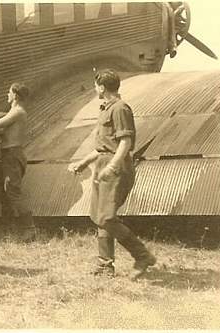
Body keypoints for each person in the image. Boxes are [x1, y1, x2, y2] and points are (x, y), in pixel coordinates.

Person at [68, 69, 156, 279]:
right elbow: (102, 148)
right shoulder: (106, 109)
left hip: (116, 167)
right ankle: (105, 266)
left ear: (102, 87)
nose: (94, 89)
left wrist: (113, 166)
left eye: (95, 85)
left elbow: (125, 143)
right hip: (103, 164)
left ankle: (142, 256)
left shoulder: (120, 109)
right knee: (100, 217)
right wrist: (82, 163)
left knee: (106, 217)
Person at [0, 83, 37, 242]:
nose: (7, 94)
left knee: (12, 192)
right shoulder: (13, 112)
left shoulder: (18, 111)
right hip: (7, 154)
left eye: (9, 92)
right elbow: (0, 132)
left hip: (12, 155)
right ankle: (9, 226)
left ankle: (29, 229)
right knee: (1, 190)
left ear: (16, 96)